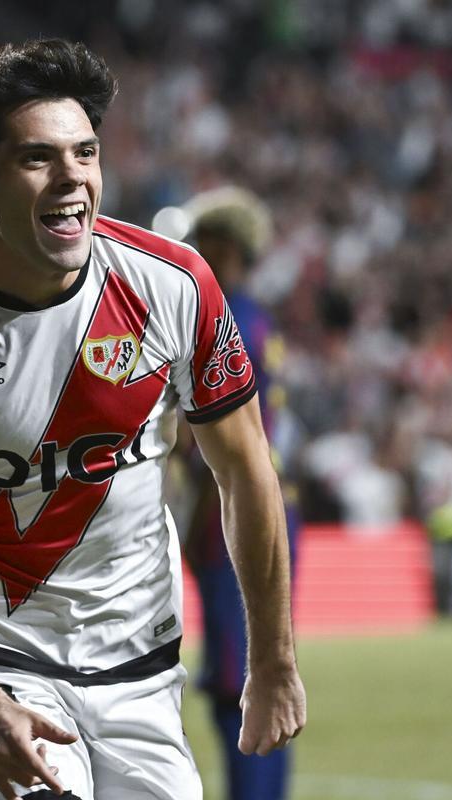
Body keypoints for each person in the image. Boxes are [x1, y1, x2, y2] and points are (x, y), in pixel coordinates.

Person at [0, 39, 305, 800]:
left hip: (143, 658)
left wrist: (273, 660)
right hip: (2, 660)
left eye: (85, 152)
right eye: (38, 158)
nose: (72, 178)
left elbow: (246, 467)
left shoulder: (174, 285)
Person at [175, 187, 301, 800]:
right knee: (246, 674)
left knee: (241, 682)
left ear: (223, 247)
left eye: (198, 242)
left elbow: (198, 436)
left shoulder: (223, 320)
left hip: (238, 511)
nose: (187, 254)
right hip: (259, 502)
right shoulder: (256, 315)